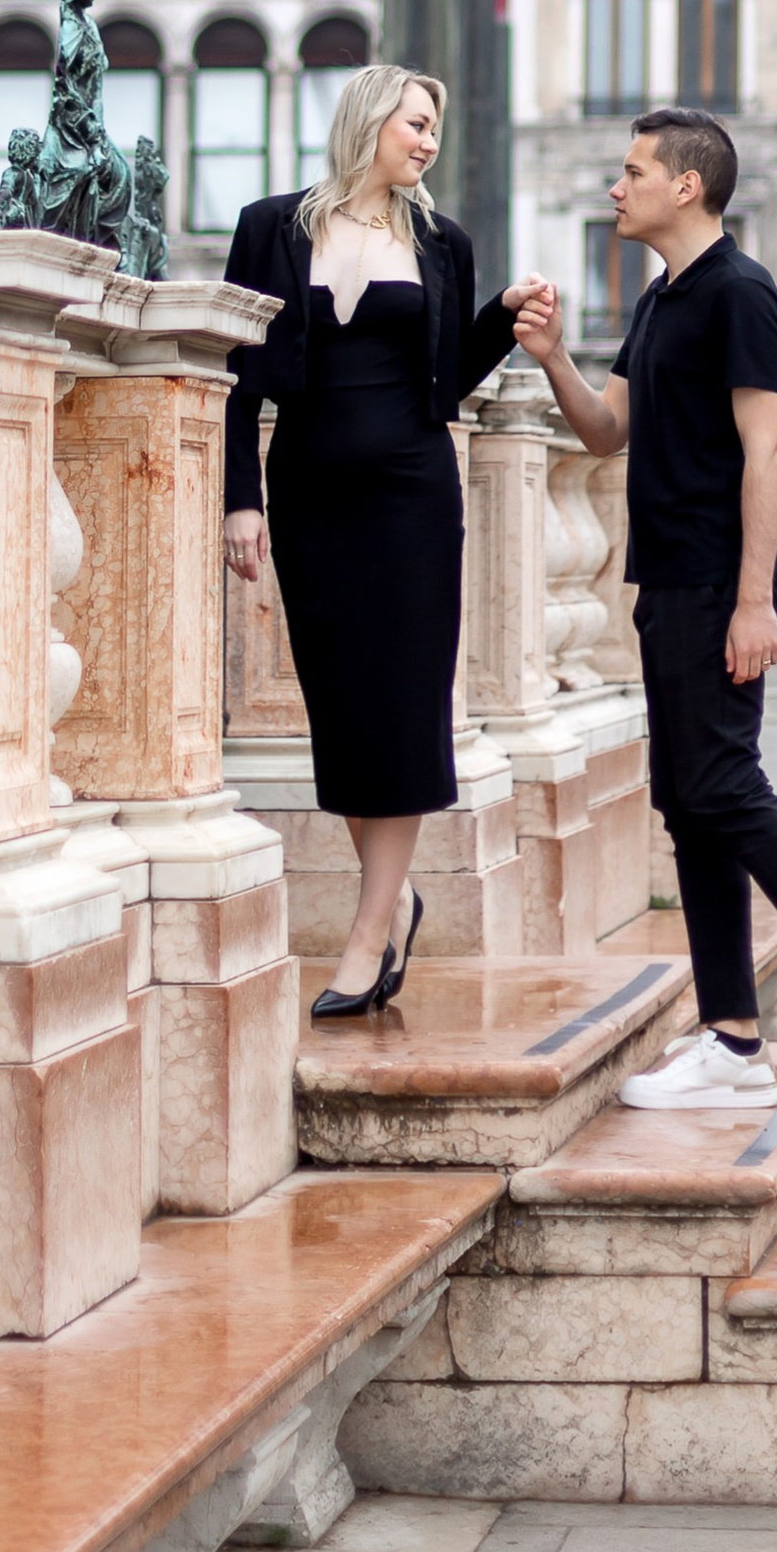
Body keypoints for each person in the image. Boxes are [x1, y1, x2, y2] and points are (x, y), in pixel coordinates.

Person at [514, 108, 777, 1137]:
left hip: (717, 581)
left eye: (632, 171)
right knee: (689, 804)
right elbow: (606, 432)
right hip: (666, 581)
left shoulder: (741, 291)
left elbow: (767, 450)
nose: (616, 188)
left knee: (725, 788)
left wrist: (756, 600)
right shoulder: (660, 298)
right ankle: (733, 1043)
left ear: (686, 185)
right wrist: (555, 359)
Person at [222, 67, 551, 1019]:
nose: (428, 141)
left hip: (412, 497)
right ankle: (395, 899)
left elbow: (447, 379)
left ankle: (368, 936)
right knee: (342, 708)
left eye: (435, 128)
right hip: (310, 493)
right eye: (416, 123)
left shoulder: (443, 243)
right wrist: (242, 498)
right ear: (369, 121)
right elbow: (237, 375)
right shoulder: (270, 228)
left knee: (402, 707)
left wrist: (503, 317)